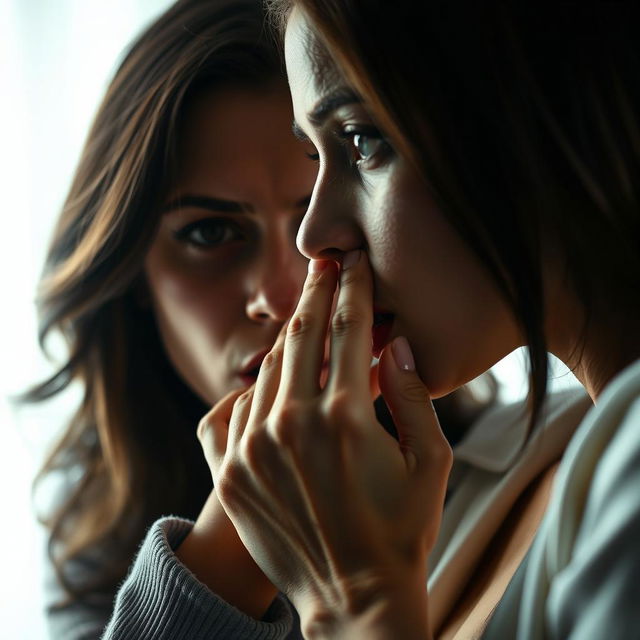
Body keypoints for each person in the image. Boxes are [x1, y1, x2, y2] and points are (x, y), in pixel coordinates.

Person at [26, 1, 503, 638]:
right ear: (132, 272)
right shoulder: (93, 534)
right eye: (211, 232)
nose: (280, 295)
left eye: (320, 207)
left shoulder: (543, 473)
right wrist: (217, 561)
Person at [183, 1, 637, 639]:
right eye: (319, 158)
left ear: (540, 108)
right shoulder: (519, 456)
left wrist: (355, 604)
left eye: (362, 141)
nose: (313, 236)